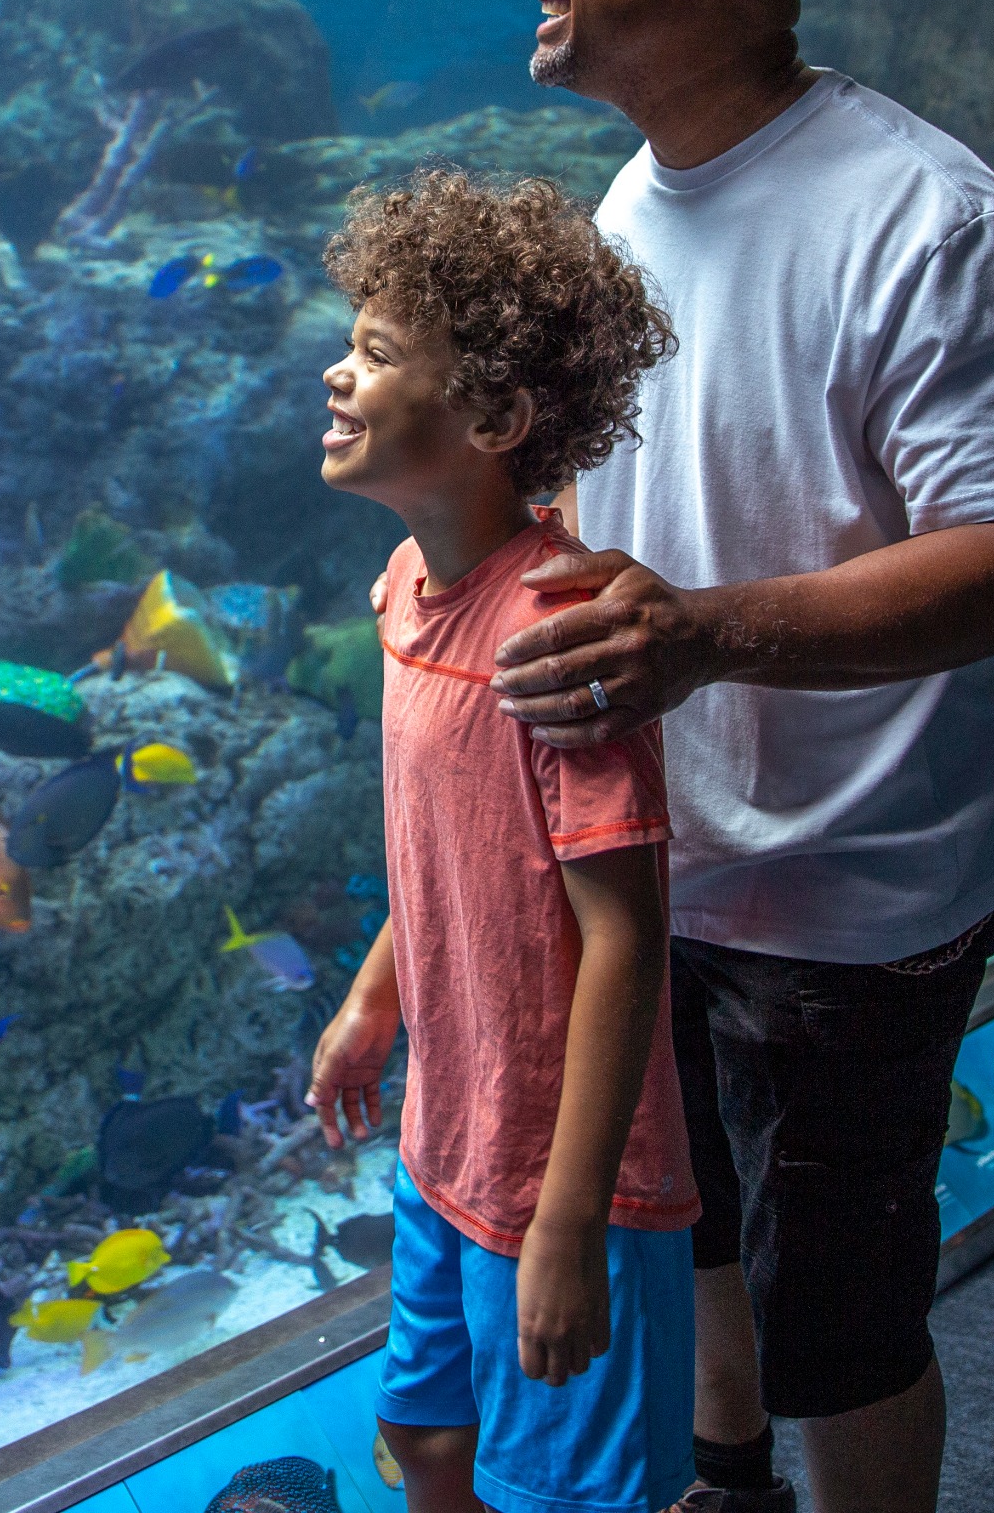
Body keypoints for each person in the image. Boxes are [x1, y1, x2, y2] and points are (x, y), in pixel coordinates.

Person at [490, 0, 994, 1513]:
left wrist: (701, 635)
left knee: (846, 1311)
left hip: (859, 896)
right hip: (668, 868)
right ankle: (728, 1484)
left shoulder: (925, 220)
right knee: (700, 1236)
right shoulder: (633, 199)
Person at [305, 169, 699, 1513]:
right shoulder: (408, 591)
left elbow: (624, 933)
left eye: (375, 351)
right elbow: (445, 858)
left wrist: (573, 1225)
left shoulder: (552, 638)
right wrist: (374, 1000)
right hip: (443, 1143)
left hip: (556, 1176)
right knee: (424, 1444)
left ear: (493, 415)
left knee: (566, 1496)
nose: (335, 372)